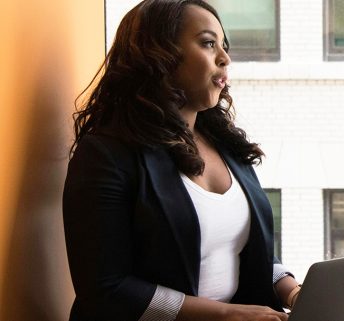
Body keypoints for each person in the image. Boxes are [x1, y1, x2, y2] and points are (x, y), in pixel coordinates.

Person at [63, 1, 301, 320]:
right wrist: (225, 314)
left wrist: (295, 292)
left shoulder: (227, 146)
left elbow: (244, 251)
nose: (225, 58)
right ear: (158, 54)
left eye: (224, 46)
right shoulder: (106, 155)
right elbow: (106, 288)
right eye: (207, 43)